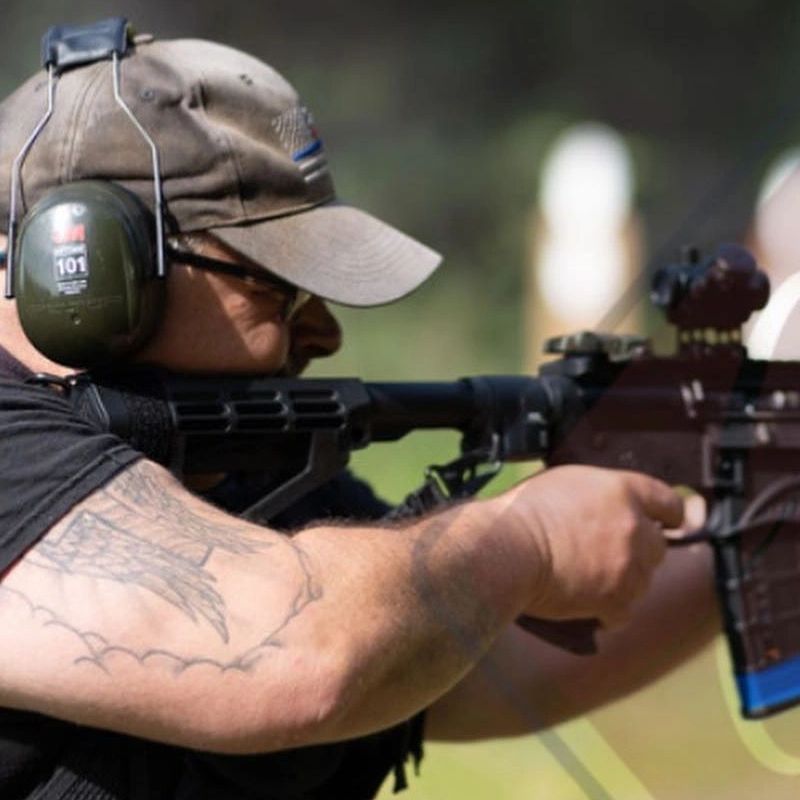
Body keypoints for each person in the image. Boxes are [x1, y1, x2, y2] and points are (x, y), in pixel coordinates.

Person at [0, 22, 716, 800]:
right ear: (90, 270)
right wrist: (529, 537)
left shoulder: (226, 483)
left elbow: (478, 658)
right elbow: (296, 655)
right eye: (279, 287)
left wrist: (766, 524)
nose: (324, 333)